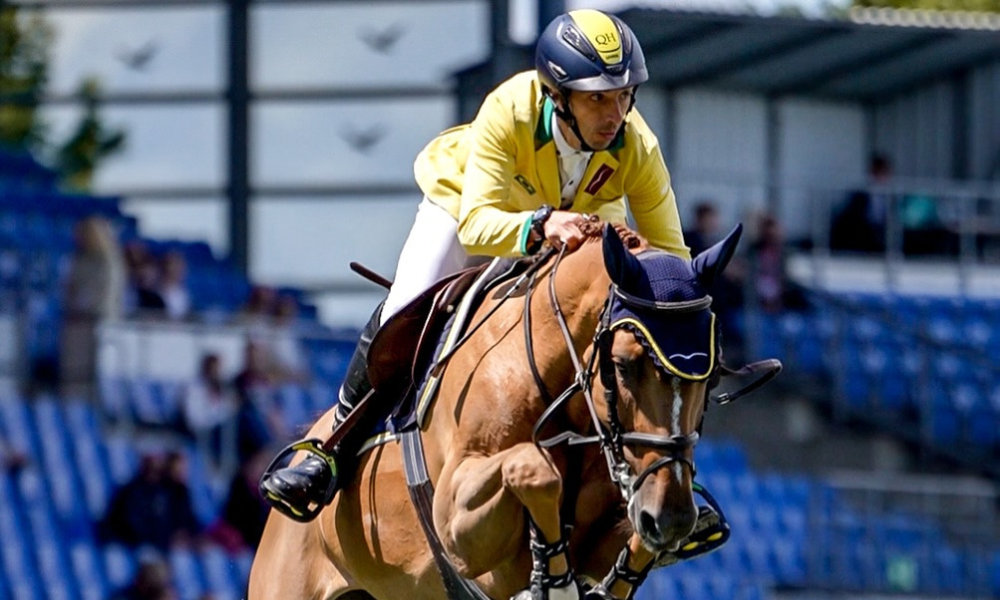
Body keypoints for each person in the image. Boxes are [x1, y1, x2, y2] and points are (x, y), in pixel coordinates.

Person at [260, 9, 690, 520]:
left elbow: (673, 258)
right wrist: (540, 226)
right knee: (407, 303)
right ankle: (330, 446)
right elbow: (477, 226)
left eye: (623, 96)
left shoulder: (636, 145)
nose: (614, 113)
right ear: (557, 95)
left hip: (570, 224)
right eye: (597, 97)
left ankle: (665, 476)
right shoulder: (509, 109)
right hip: (469, 205)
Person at [60, 215, 126, 398]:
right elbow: (70, 287)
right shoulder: (78, 259)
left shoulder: (108, 261)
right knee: (75, 373)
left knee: (96, 371)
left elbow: (106, 292)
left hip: (99, 321)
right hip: (77, 323)